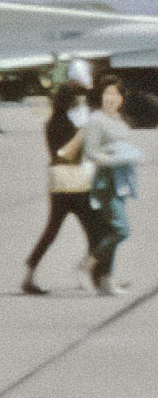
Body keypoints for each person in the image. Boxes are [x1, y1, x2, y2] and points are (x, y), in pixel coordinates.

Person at [21, 74, 94, 294]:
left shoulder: (54, 122)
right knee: (97, 231)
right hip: (71, 184)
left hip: (60, 182)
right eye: (75, 99)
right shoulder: (62, 124)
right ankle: (91, 273)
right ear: (68, 101)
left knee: (52, 231)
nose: (77, 103)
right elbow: (68, 153)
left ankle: (30, 275)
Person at [73, 81, 141, 294]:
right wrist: (114, 160)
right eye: (106, 94)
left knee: (110, 231)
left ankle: (106, 280)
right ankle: (86, 265)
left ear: (122, 98)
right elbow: (91, 152)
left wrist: (129, 155)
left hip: (121, 181)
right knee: (121, 230)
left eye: (115, 95)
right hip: (105, 182)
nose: (111, 98)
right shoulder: (96, 120)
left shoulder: (118, 118)